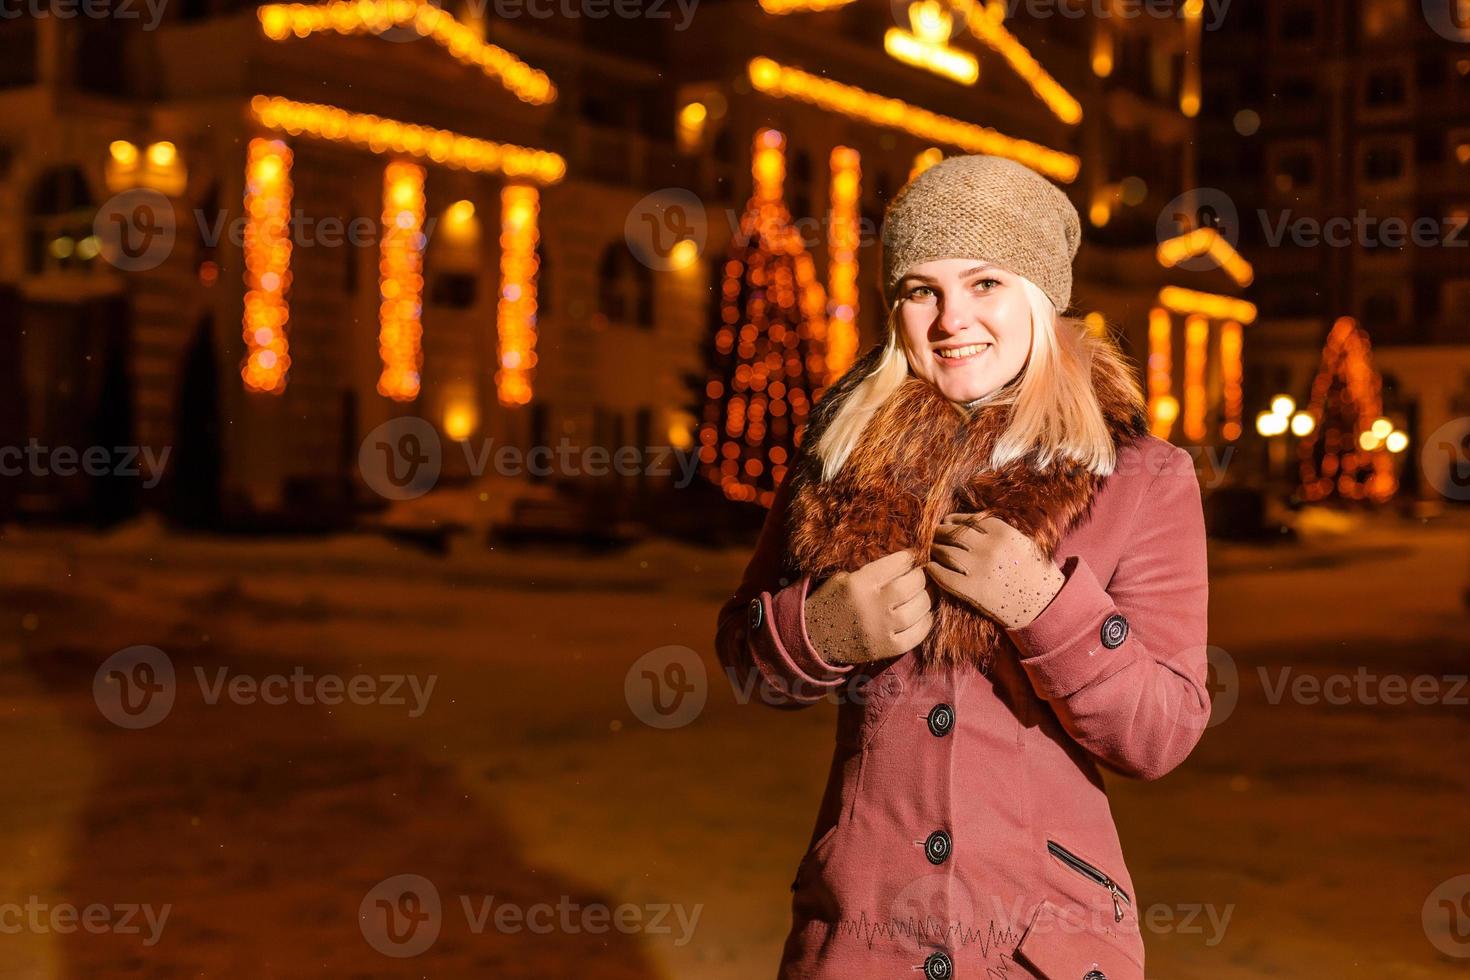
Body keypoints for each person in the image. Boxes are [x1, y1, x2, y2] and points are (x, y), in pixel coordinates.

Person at [714, 154, 1211, 980]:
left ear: (1041, 297)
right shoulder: (840, 458)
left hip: (1040, 949)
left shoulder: (1141, 477)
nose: (951, 319)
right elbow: (747, 658)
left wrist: (1046, 608)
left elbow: (1160, 733)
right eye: (921, 289)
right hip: (860, 940)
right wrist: (823, 628)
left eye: (985, 284)